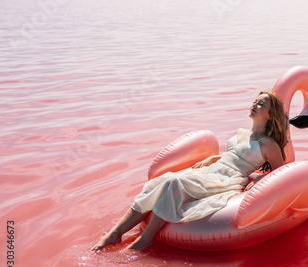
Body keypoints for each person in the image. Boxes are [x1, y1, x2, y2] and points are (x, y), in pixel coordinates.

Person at [92, 90, 287, 251]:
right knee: (163, 179)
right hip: (213, 169)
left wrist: (258, 180)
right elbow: (235, 154)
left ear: (270, 115)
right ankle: (115, 233)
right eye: (255, 101)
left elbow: (281, 173)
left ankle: (146, 238)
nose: (254, 104)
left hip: (228, 179)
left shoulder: (268, 144)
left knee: (173, 183)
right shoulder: (240, 132)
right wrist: (216, 157)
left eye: (261, 104)